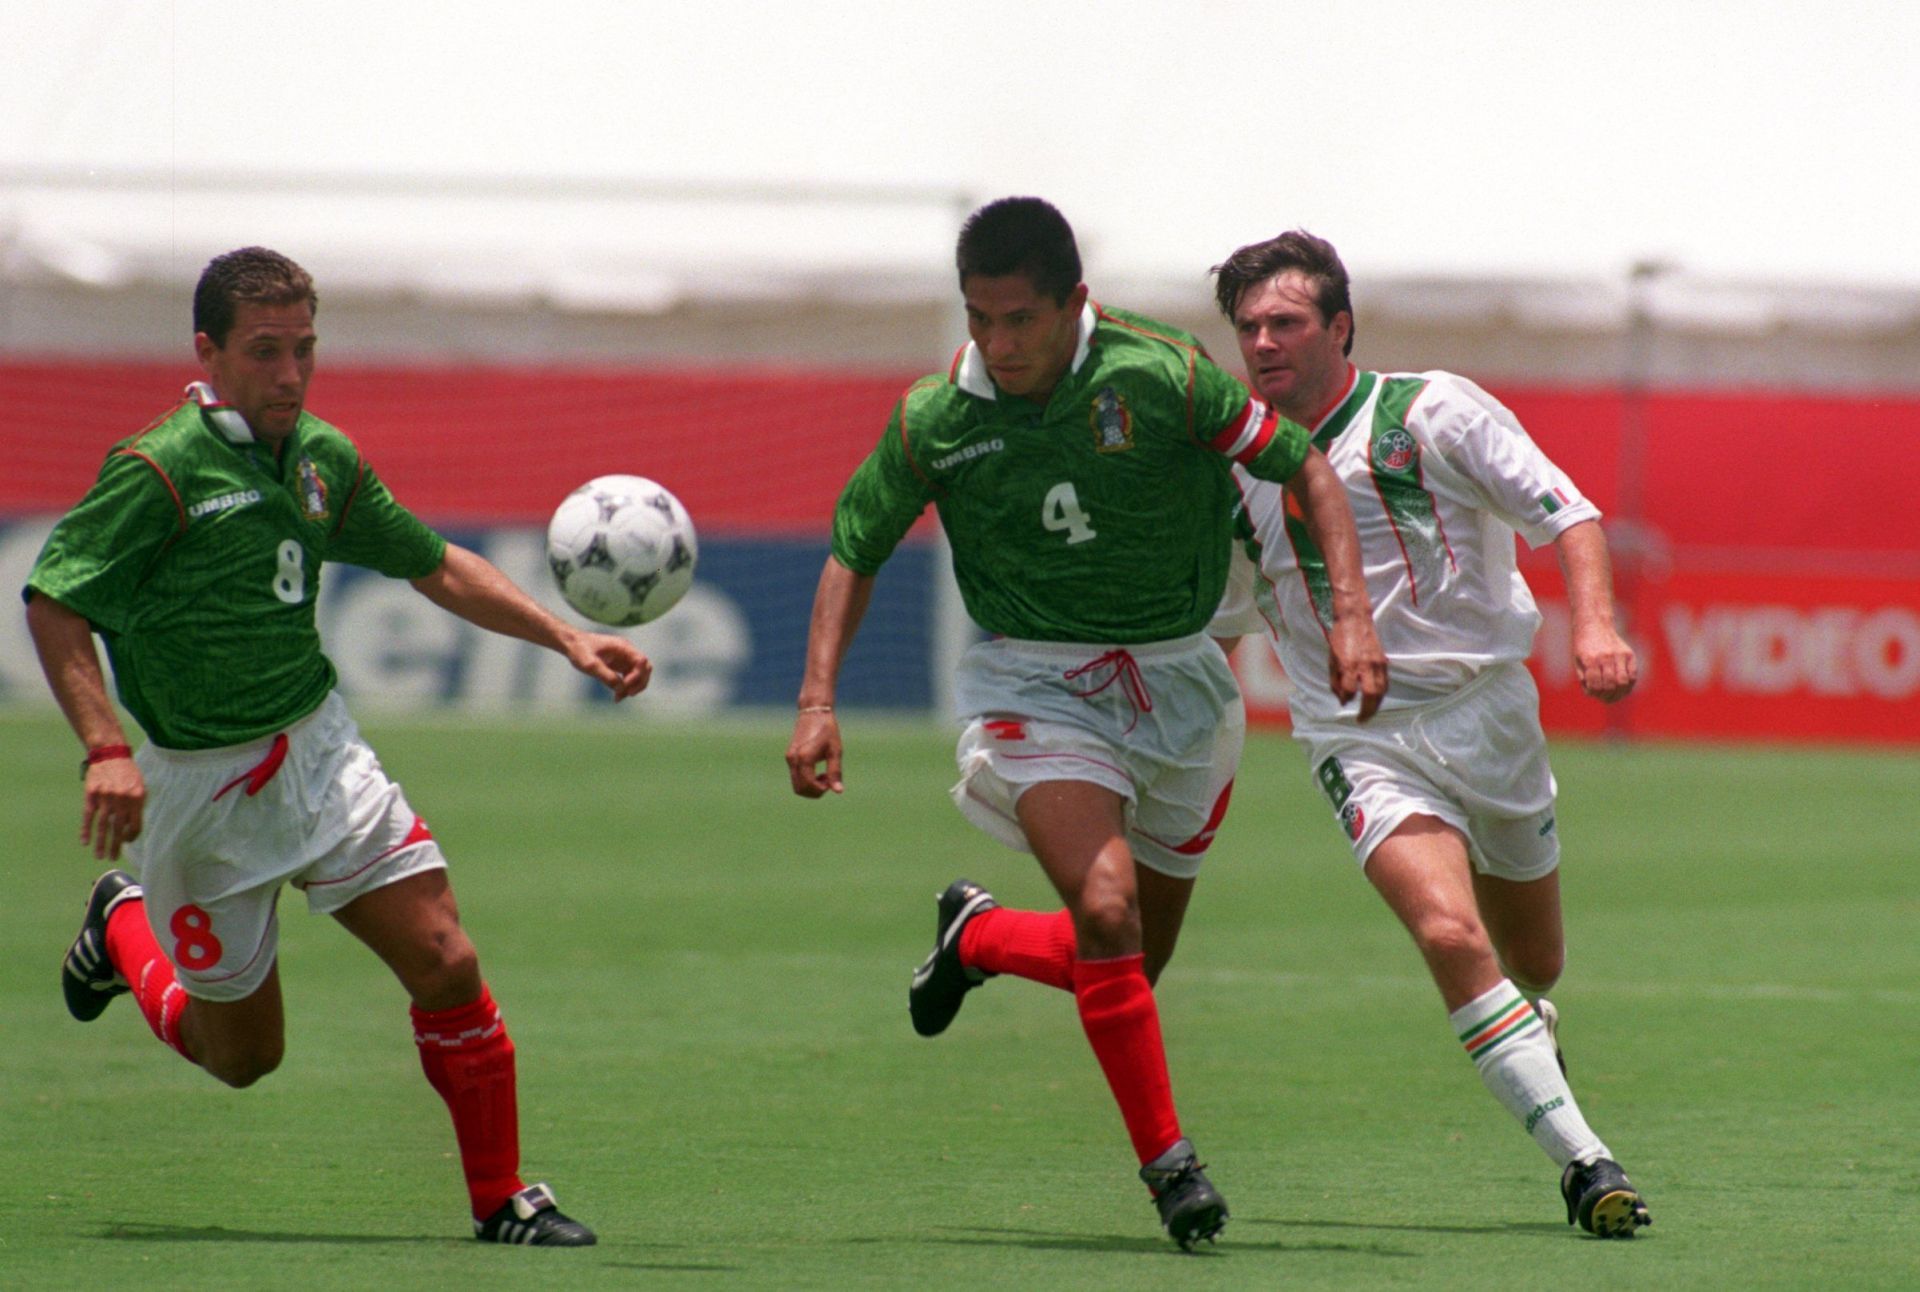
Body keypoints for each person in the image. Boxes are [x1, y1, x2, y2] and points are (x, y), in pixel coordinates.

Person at [784, 198, 1385, 1249]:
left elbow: (1309, 466)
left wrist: (1349, 615)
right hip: (1036, 682)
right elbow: (853, 546)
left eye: (1020, 319)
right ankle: (1171, 1168)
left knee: (1129, 961)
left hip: (1185, 680)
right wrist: (818, 701)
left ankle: (981, 935)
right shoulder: (937, 417)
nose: (997, 343)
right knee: (1108, 911)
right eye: (980, 318)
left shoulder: (1161, 373)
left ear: (1074, 303)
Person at [28, 246, 650, 1247]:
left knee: (446, 957)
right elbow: (54, 599)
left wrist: (566, 634)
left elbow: (432, 564)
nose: (288, 373)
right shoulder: (158, 470)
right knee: (241, 1055)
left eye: (303, 349)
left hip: (320, 756)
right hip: (200, 789)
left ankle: (504, 1198)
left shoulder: (322, 456)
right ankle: (123, 926)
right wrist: (106, 744)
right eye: (264, 351)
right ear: (209, 351)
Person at [1206, 230, 1653, 1239]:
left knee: (1534, 959)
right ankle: (1588, 1162)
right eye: (1248, 328)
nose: (1265, 343)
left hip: (1490, 714)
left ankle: (1529, 1026)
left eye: (1285, 321)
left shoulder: (1433, 409)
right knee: (1449, 933)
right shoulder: (1232, 473)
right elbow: (1219, 617)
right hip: (1358, 736)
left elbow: (1569, 514)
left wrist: (1593, 622)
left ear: (1340, 325)